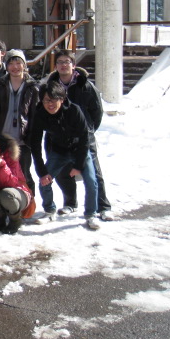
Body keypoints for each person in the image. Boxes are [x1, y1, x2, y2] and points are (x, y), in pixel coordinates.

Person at [47, 49, 113, 221]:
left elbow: (96, 111)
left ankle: (103, 207)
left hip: (84, 138)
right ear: (56, 66)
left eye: (66, 62)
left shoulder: (86, 86)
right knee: (63, 172)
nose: (63, 65)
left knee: (93, 173)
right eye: (60, 62)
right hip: (59, 138)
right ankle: (70, 203)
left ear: (73, 65)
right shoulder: (51, 86)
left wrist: (88, 129)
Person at [29, 81, 101, 230]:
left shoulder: (74, 110)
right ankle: (49, 210)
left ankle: (91, 214)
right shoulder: (40, 114)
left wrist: (78, 165)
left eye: (53, 100)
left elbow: (84, 139)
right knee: (44, 181)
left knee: (91, 181)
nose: (50, 104)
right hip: (59, 151)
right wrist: (42, 172)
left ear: (61, 99)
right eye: (46, 100)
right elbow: (35, 144)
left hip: (79, 150)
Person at [0, 50, 39, 195]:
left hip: (22, 139)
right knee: (0, 173)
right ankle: (5, 202)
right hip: (3, 137)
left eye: (18, 63)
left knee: (24, 174)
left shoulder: (32, 87)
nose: (15, 67)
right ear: (6, 66)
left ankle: (29, 202)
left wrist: (32, 138)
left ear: (24, 65)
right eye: (11, 63)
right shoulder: (0, 85)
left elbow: (34, 115)